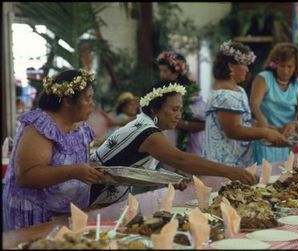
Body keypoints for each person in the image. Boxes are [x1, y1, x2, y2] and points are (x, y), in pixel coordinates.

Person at [89, 80, 257, 206]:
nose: (179, 116)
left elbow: (132, 171)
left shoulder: (142, 123)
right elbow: (181, 160)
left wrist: (168, 178)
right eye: (174, 110)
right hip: (94, 197)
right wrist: (230, 172)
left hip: (105, 197)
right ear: (155, 110)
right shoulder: (147, 133)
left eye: (180, 110)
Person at [2, 69, 105, 231]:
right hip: (36, 215)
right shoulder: (42, 127)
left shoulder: (80, 125)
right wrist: (74, 171)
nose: (92, 103)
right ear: (67, 101)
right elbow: (26, 176)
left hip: (65, 213)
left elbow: (74, 162)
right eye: (87, 98)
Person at [202, 40, 286, 168]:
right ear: (231, 66)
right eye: (244, 64)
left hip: (239, 160)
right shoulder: (226, 95)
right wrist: (264, 133)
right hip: (225, 163)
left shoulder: (238, 90)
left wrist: (269, 128)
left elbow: (242, 122)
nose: (247, 69)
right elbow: (233, 130)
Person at [250, 42, 298, 164]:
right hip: (264, 135)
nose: (285, 71)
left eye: (290, 67)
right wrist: (261, 119)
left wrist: (294, 125)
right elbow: (254, 104)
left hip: (284, 140)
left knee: (280, 174)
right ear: (275, 64)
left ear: (296, 67)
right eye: (282, 66)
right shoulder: (264, 78)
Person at [156, 51, 206, 156]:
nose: (161, 74)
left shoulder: (190, 93)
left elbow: (202, 124)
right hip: (166, 138)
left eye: (165, 71)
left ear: (176, 73)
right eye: (160, 71)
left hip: (188, 143)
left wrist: (179, 123)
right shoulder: (160, 90)